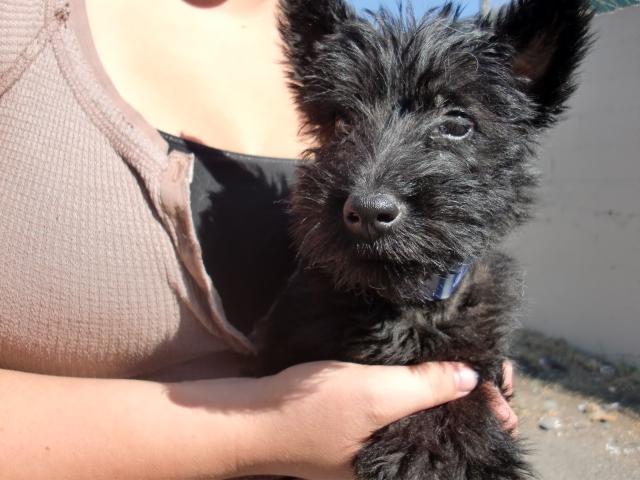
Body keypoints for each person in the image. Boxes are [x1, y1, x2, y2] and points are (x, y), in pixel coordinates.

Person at [0, 0, 516, 478]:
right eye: (344, 122)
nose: (367, 182)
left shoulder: (331, 37)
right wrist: (266, 432)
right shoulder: (25, 23)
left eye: (452, 125)